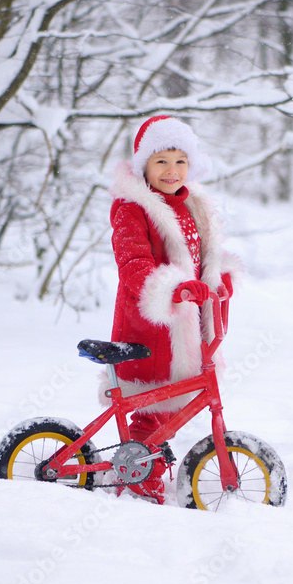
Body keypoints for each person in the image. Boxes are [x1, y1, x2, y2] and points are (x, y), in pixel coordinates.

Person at [105, 115, 238, 503]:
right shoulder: (132, 207)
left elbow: (203, 257)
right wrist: (173, 290)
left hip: (188, 323)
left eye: (180, 161)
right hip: (150, 324)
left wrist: (219, 277)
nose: (171, 170)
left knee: (172, 402)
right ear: (143, 164)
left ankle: (146, 461)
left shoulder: (193, 204)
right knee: (155, 403)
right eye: (161, 160)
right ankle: (137, 471)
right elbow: (134, 264)